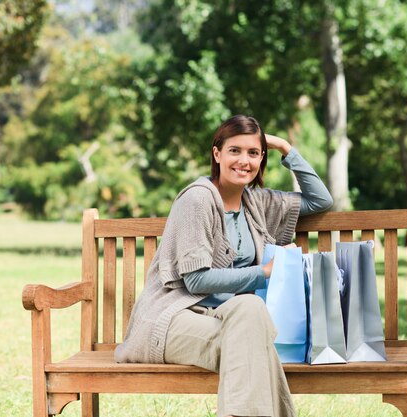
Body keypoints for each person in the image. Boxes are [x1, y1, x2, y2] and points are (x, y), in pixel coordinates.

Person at [115, 115, 333, 417]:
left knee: (251, 310)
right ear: (217, 154)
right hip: (173, 318)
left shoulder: (256, 203)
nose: (244, 160)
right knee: (253, 346)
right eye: (235, 151)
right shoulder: (198, 200)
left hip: (226, 318)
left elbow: (321, 200)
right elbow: (195, 281)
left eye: (253, 153)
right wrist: (264, 272)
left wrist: (285, 148)